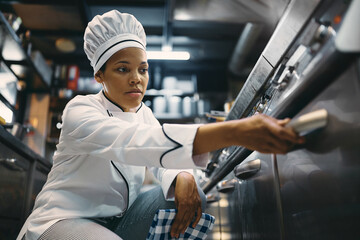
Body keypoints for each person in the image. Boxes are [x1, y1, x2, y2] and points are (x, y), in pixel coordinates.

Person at [17, 10, 304, 240]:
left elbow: (160, 155)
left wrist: (183, 175)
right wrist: (235, 131)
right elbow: (132, 141)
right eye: (122, 69)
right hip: (61, 220)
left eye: (142, 69)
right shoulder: (80, 111)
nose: (136, 79)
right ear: (99, 76)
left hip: (117, 222)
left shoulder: (143, 113)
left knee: (191, 194)